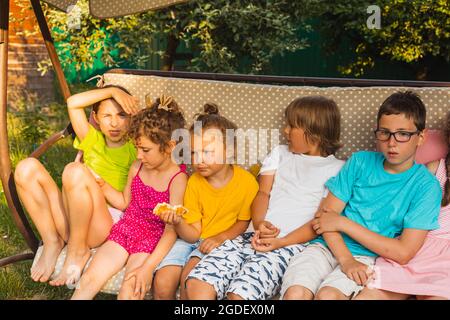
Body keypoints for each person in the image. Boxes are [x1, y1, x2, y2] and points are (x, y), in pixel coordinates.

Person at [281, 91, 442, 300]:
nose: (392, 142)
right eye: (384, 132)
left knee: (328, 296)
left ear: (421, 137)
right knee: (295, 294)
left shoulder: (426, 186)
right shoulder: (360, 162)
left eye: (403, 134)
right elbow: (324, 219)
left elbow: (403, 253)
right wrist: (345, 259)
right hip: (325, 246)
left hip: (367, 257)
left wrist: (343, 223)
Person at [186, 96, 345, 300]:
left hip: (289, 246)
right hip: (249, 238)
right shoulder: (280, 154)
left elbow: (320, 221)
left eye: (291, 126)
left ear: (314, 132)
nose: (285, 131)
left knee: (239, 296)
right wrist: (260, 223)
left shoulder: (337, 170)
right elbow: (263, 193)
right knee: (197, 283)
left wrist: (281, 241)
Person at [14, 85, 139, 285]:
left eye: (122, 115)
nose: (114, 122)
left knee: (74, 170)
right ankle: (52, 242)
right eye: (107, 116)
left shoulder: (135, 149)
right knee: (25, 168)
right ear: (96, 118)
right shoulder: (91, 140)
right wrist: (112, 92)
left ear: (131, 117)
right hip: (72, 220)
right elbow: (73, 103)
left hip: (103, 224)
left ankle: (78, 250)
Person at [71, 95, 188, 299]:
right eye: (137, 148)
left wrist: (148, 267)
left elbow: (171, 231)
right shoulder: (137, 166)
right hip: (126, 230)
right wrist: (102, 185)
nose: (139, 155)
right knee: (89, 279)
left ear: (169, 147)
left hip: (152, 240)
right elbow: (125, 203)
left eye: (145, 150)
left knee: (131, 287)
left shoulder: (178, 179)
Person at [152, 103, 259, 300]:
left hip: (221, 243)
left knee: (188, 279)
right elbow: (193, 235)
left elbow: (243, 222)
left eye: (207, 152)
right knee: (162, 282)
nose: (198, 159)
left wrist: (220, 238)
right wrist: (178, 222)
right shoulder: (194, 182)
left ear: (229, 151)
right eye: (193, 152)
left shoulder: (247, 183)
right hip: (189, 240)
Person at [354, 111, 450, 300]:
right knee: (368, 296)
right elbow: (396, 199)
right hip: (414, 247)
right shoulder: (434, 170)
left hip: (445, 264)